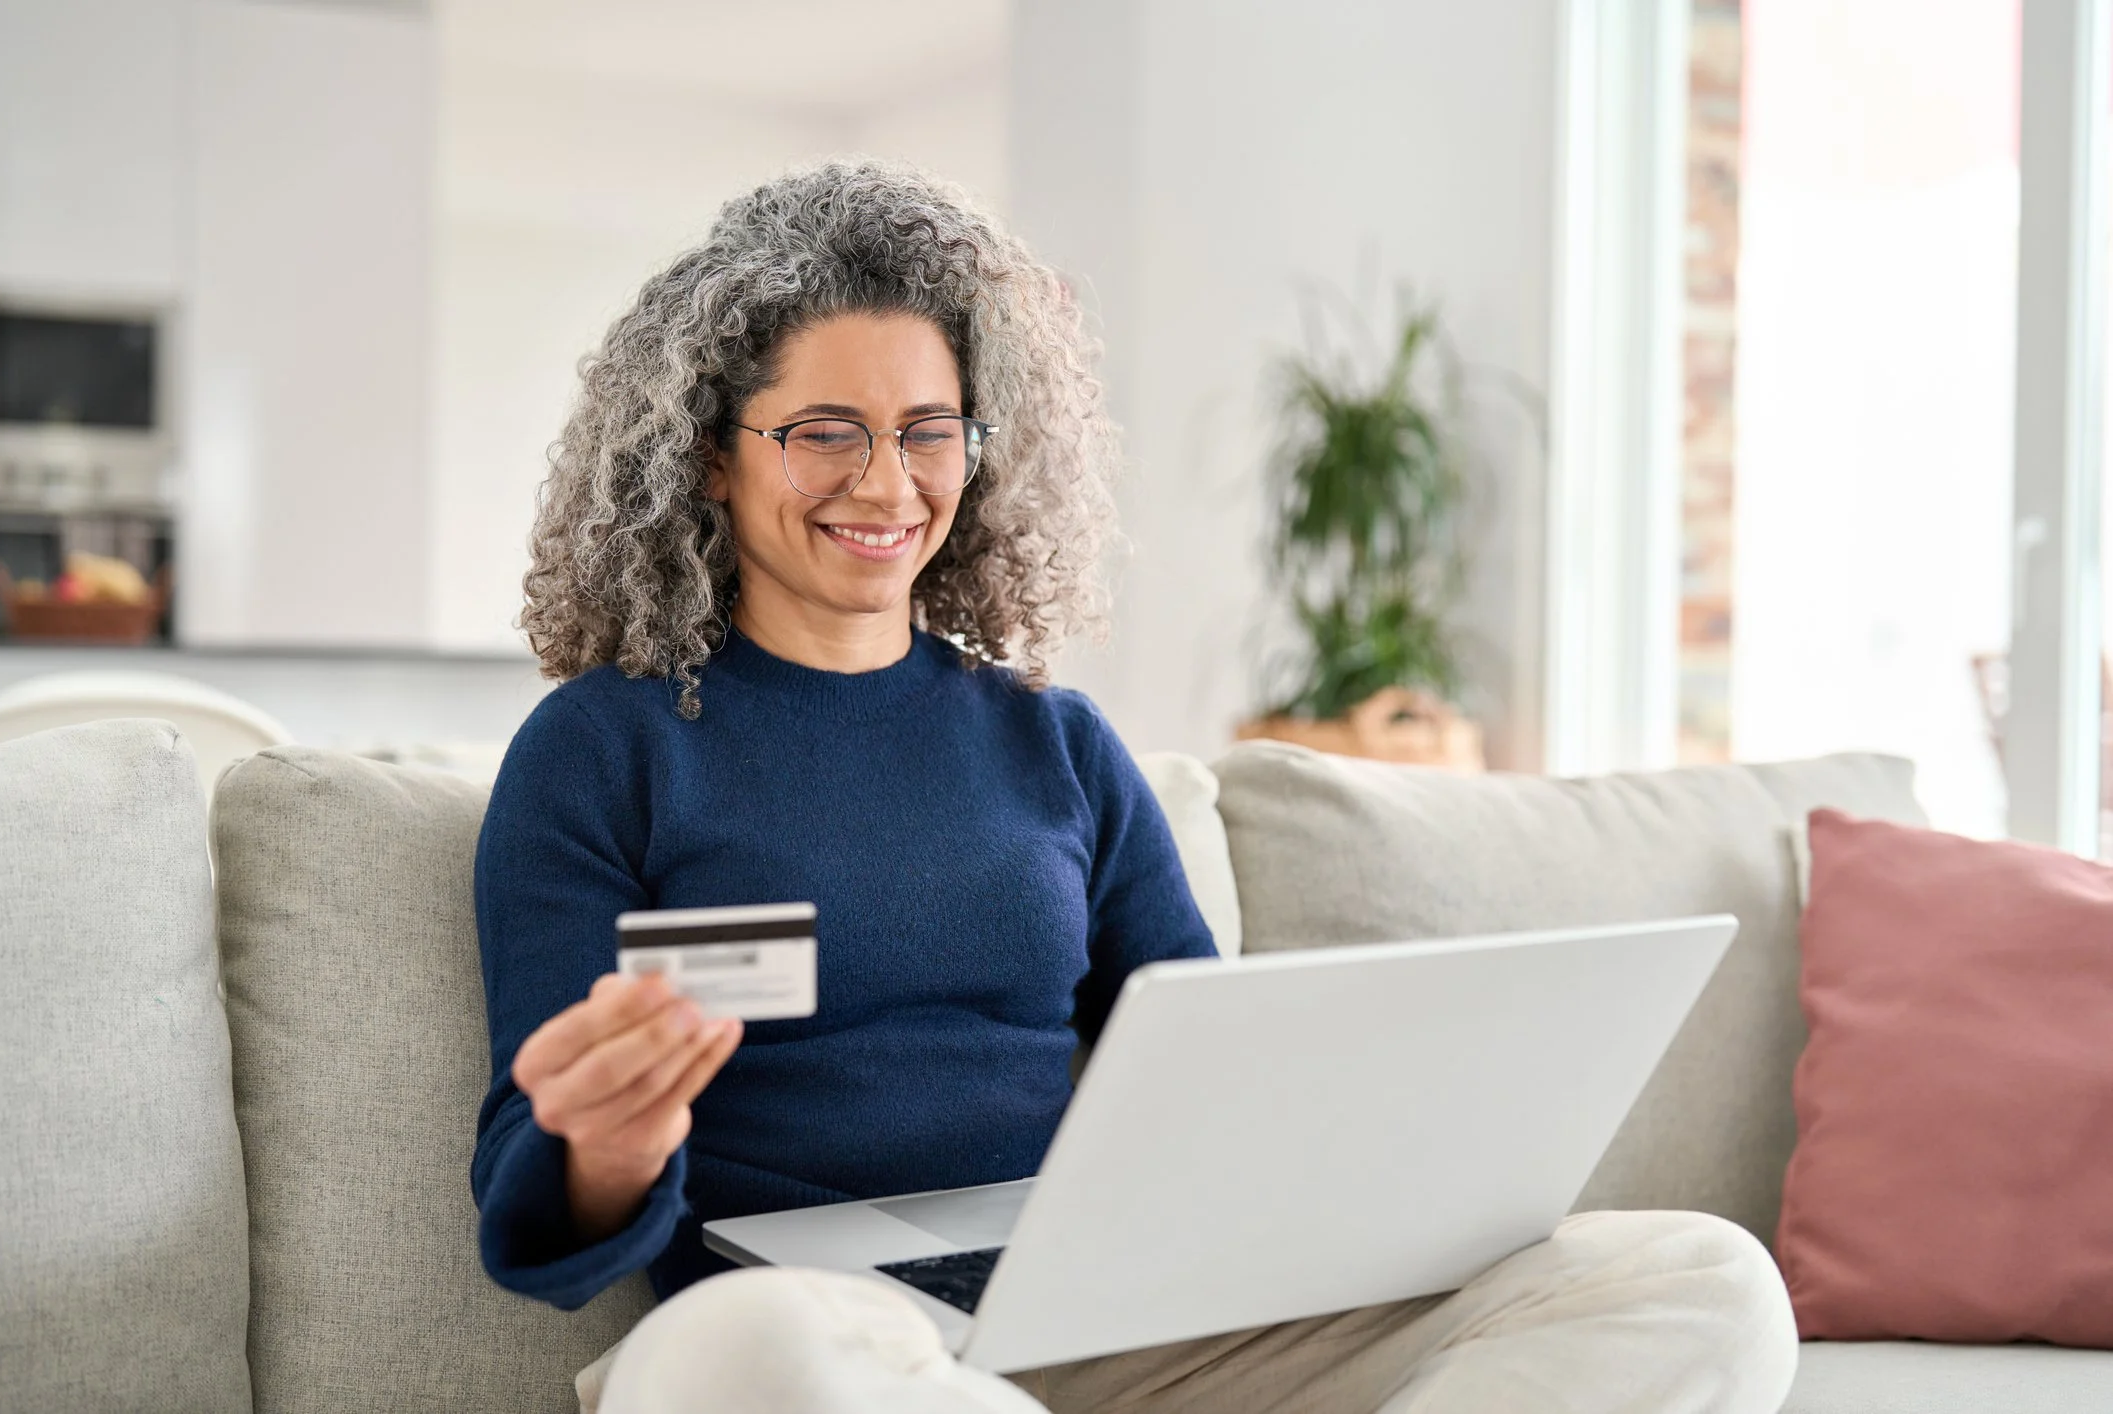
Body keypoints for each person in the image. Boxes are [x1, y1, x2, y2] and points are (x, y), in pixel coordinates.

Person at [471, 159, 1799, 1414]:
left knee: (1702, 1280)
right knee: (731, 1353)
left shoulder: (1054, 743)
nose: (886, 481)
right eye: (826, 431)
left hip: (1120, 1319)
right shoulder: (604, 747)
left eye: (930, 429)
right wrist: (614, 1143)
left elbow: (1217, 1079)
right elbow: (533, 1224)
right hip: (827, 1341)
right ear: (711, 452)